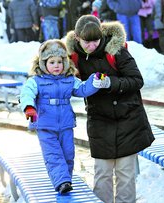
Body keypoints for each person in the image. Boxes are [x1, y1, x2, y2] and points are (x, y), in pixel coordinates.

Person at [66, 14, 155, 203]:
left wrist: (110, 83)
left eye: (96, 40)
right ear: (77, 38)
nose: (92, 45)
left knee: (125, 174)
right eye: (87, 42)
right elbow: (61, 79)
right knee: (102, 173)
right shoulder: (73, 58)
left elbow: (137, 80)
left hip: (128, 118)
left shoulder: (116, 51)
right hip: (99, 120)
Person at [19, 39, 109, 195]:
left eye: (59, 62)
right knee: (53, 154)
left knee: (68, 153)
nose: (56, 65)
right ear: (43, 63)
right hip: (45, 124)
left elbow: (82, 89)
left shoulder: (69, 79)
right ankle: (61, 182)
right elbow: (27, 93)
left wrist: (94, 81)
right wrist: (29, 107)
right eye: (52, 62)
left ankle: (66, 181)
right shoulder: (36, 81)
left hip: (66, 124)